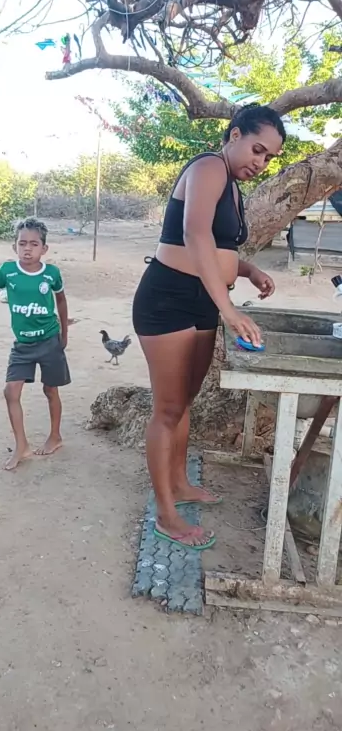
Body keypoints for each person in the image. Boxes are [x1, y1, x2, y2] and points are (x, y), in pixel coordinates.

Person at [132, 104, 286, 550]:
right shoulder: (208, 167)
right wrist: (229, 309)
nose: (261, 162)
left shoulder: (232, 187)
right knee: (167, 409)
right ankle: (166, 513)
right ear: (235, 135)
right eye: (257, 149)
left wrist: (248, 270)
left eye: (269, 157)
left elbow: (219, 249)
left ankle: (180, 483)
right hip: (169, 299)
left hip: (201, 299)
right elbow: (194, 234)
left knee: (185, 401)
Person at [0, 217, 70, 470]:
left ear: (44, 248)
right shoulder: (8, 271)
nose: (27, 249)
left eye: (34, 244)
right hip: (22, 345)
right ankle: (22, 445)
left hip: (49, 340)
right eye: (22, 243)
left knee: (51, 390)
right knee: (11, 392)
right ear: (14, 246)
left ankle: (55, 436)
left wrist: (64, 333)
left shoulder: (51, 274)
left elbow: (61, 301)